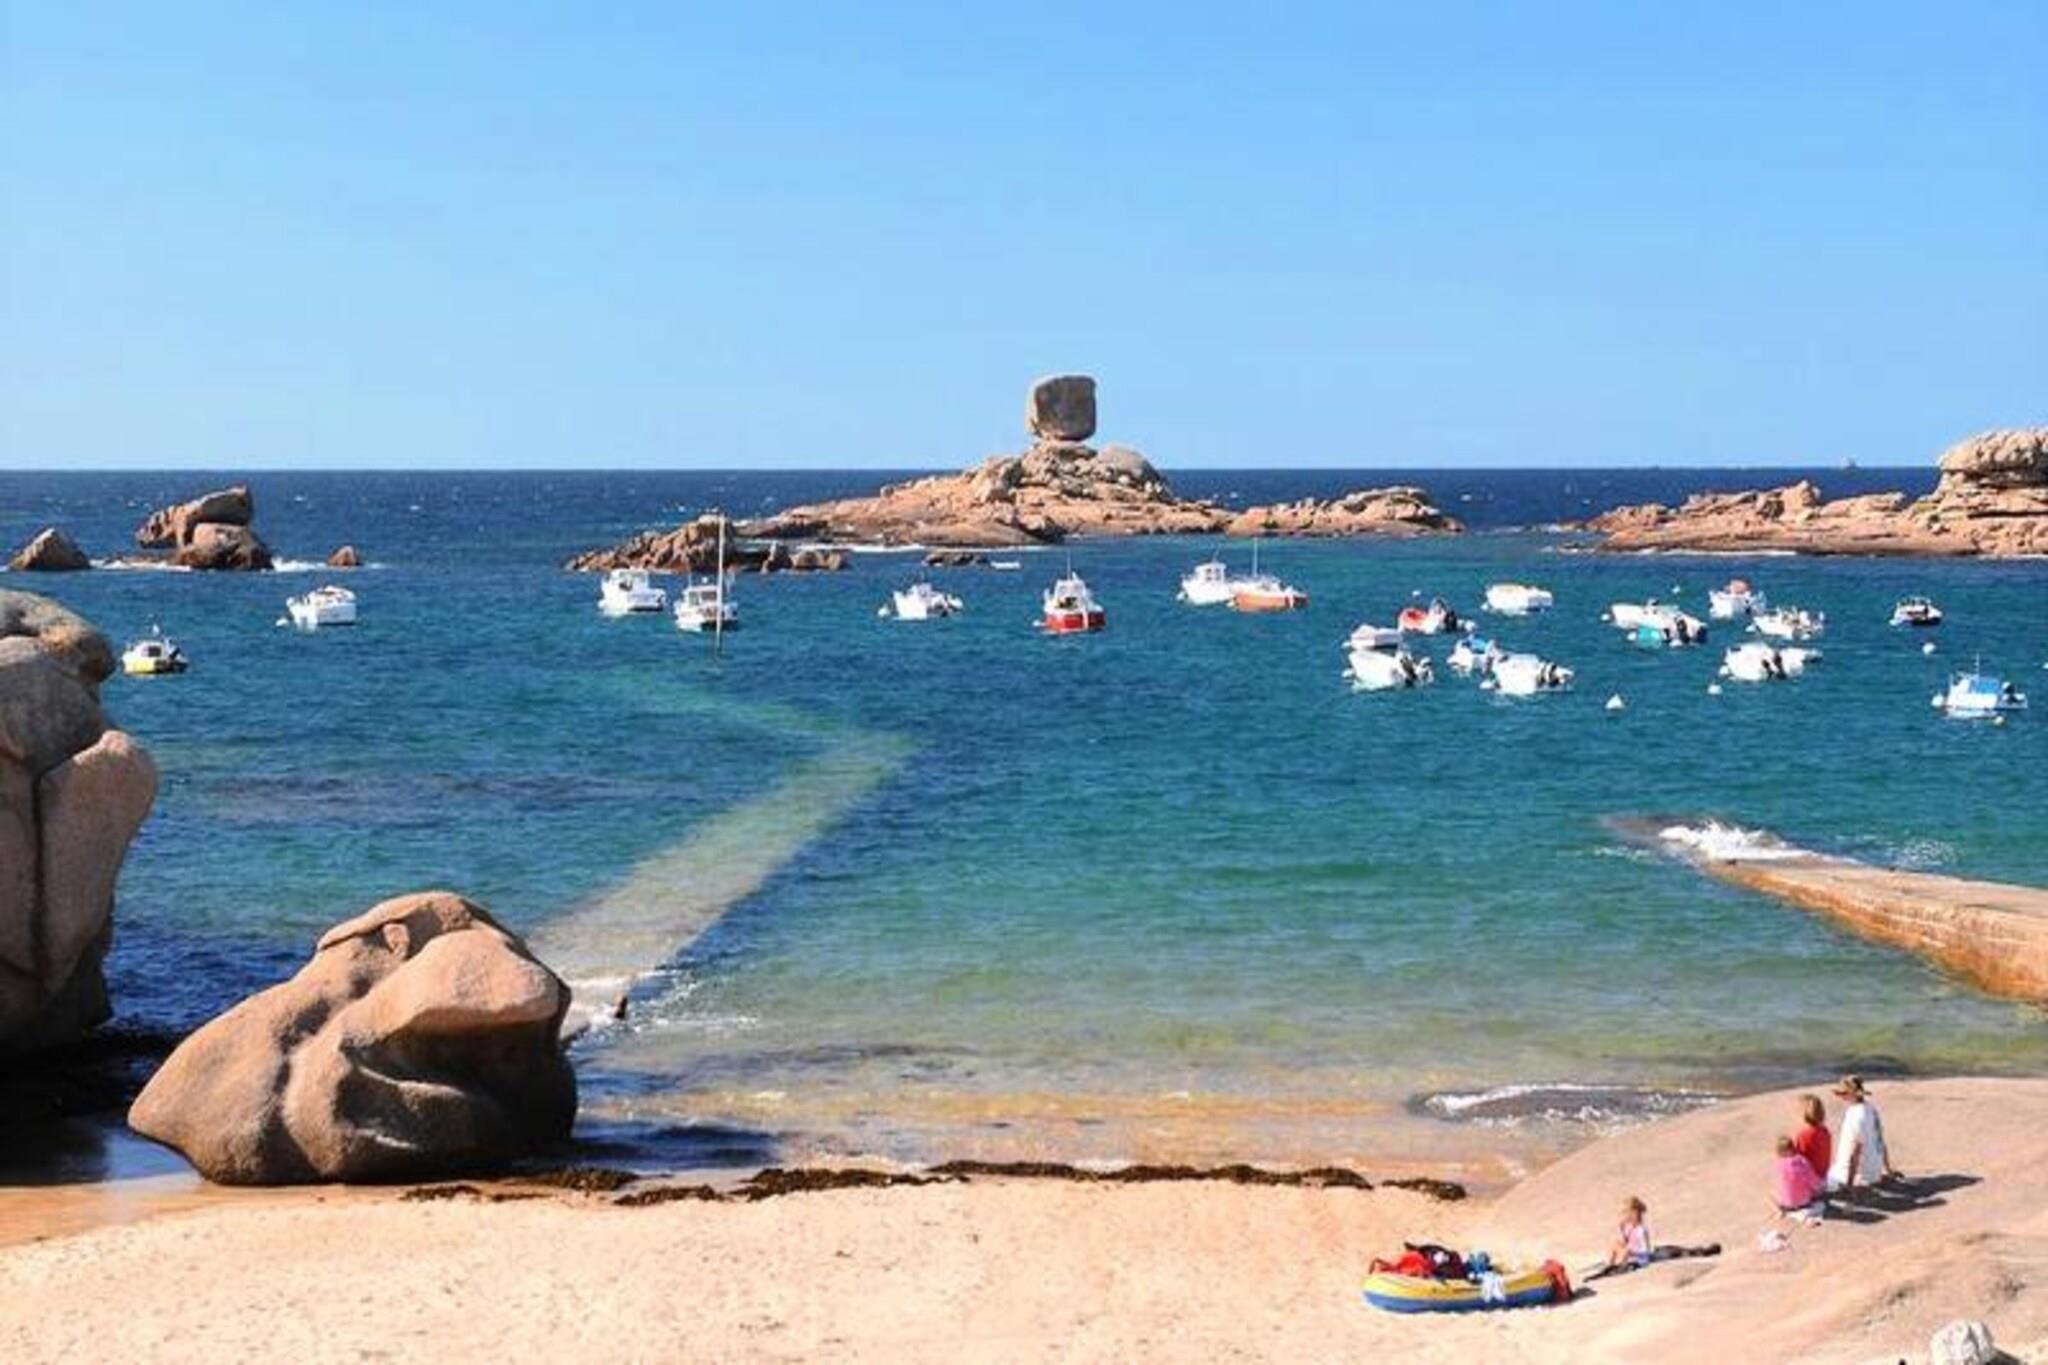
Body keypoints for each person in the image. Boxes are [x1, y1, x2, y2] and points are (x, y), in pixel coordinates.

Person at [1826, 1075, 1897, 1193]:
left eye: (1842, 1093)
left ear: (1850, 1094)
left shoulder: (1855, 1115)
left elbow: (1856, 1150)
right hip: (1874, 1172)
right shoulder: (1872, 1109)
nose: (1840, 1097)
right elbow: (1880, 1141)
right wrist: (1887, 1169)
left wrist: (1849, 1183)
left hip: (1859, 1175)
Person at [1772, 1135, 1827, 1221]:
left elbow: (1779, 1183)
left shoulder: (1778, 1164)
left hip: (1786, 1204)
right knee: (1819, 1201)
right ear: (1793, 1147)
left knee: (1770, 1195)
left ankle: (1779, 1210)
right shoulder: (1802, 1161)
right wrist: (1820, 1189)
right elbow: (1813, 1181)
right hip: (1804, 1202)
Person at [1792, 1093, 1832, 1178]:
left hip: (1809, 1179)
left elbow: (1796, 1159)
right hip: (1823, 1176)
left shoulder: (1803, 1135)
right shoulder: (1825, 1131)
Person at [1608, 1195, 1652, 1270]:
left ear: (1636, 1213)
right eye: (1625, 1213)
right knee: (1615, 1243)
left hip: (1640, 1258)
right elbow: (1625, 1242)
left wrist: (1633, 1252)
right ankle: (1610, 1264)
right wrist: (1622, 1230)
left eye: (1629, 1213)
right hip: (1629, 1254)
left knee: (1626, 1251)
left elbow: (1646, 1251)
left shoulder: (1641, 1230)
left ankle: (1622, 1267)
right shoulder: (1629, 1228)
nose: (1627, 1216)